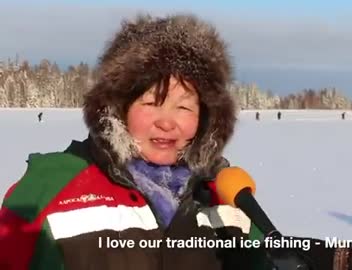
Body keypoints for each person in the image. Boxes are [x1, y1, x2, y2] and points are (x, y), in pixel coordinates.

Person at [0, 14, 275, 270]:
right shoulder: (48, 188)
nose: (167, 123)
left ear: (205, 118)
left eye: (184, 108)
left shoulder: (225, 194)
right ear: (118, 107)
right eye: (151, 103)